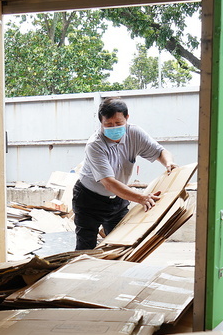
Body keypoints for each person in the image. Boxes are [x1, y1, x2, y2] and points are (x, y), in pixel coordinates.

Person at [72, 97, 178, 250]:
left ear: (127, 118)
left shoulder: (135, 133)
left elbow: (160, 152)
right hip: (89, 199)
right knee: (85, 246)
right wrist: (141, 198)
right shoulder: (94, 145)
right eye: (108, 124)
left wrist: (169, 163)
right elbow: (109, 183)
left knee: (121, 245)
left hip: (118, 199)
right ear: (101, 122)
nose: (114, 127)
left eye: (118, 123)